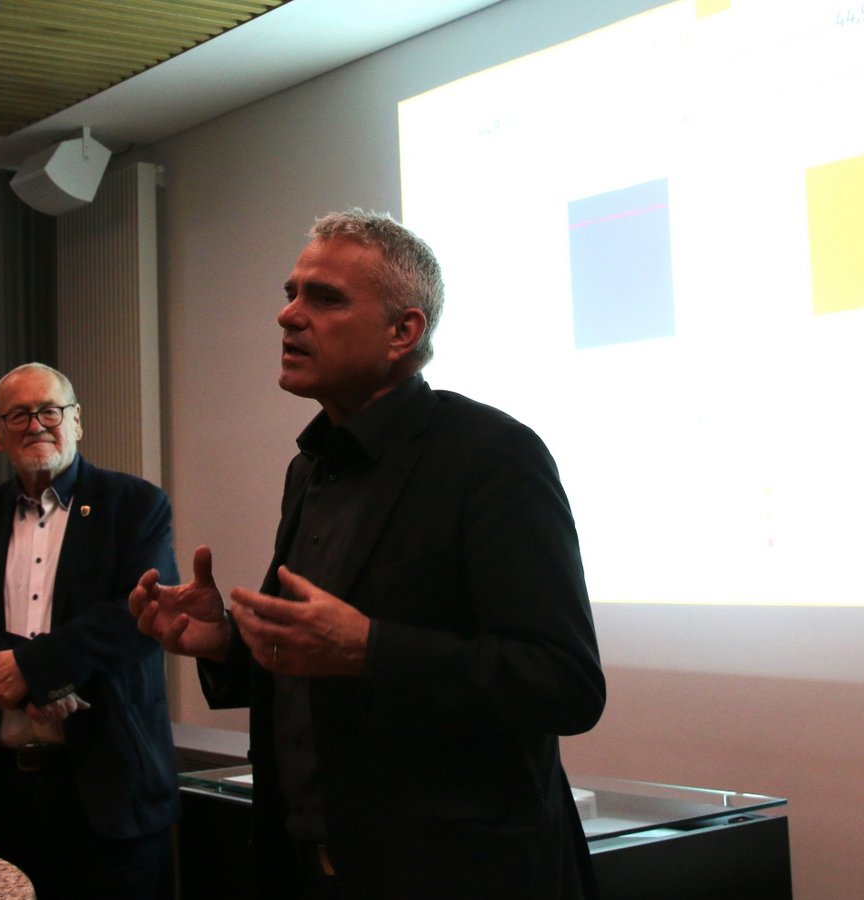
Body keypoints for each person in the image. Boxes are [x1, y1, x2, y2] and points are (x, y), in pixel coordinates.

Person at [130, 210, 607, 899]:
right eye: (291, 293)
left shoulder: (491, 456)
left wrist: (371, 649)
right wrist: (227, 645)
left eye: (323, 298)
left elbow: (564, 683)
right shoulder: (312, 466)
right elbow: (315, 666)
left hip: (455, 877)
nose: (288, 316)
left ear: (403, 332)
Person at [0, 363, 180, 899]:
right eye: (19, 415)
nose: (36, 425)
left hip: (113, 791)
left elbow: (137, 617)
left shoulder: (136, 506)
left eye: (50, 411)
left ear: (77, 422)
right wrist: (31, 674)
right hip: (6, 797)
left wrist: (33, 669)